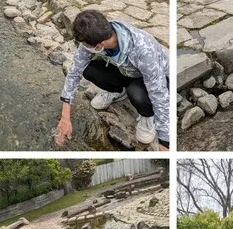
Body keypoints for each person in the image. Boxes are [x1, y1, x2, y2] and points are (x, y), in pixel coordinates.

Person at [54, 10, 169, 150]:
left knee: (136, 93)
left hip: (153, 77)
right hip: (125, 71)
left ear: (100, 44)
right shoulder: (97, 34)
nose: (84, 48)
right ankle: (117, 91)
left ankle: (147, 116)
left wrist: (165, 142)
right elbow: (74, 72)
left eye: (86, 45)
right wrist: (65, 117)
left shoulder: (143, 50)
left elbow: (159, 93)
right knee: (89, 69)